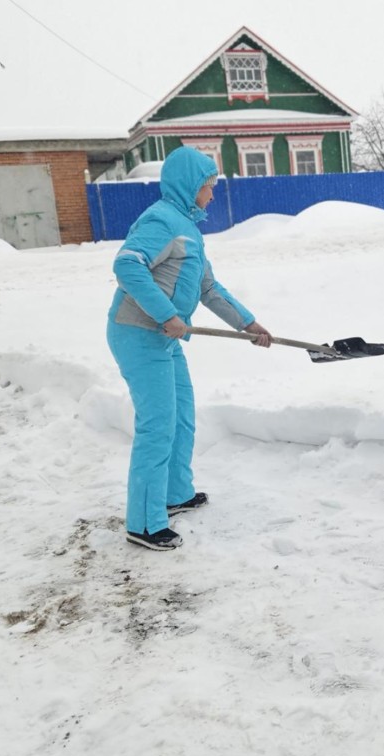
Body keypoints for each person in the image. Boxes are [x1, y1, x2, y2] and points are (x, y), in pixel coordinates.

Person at [107, 145, 273, 552]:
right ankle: (144, 523)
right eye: (208, 186)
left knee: (181, 416)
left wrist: (248, 323)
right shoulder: (161, 220)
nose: (212, 194)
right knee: (157, 425)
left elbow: (208, 288)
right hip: (139, 334)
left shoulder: (187, 227)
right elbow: (127, 265)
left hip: (164, 336)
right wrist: (166, 314)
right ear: (190, 185)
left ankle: (174, 493)